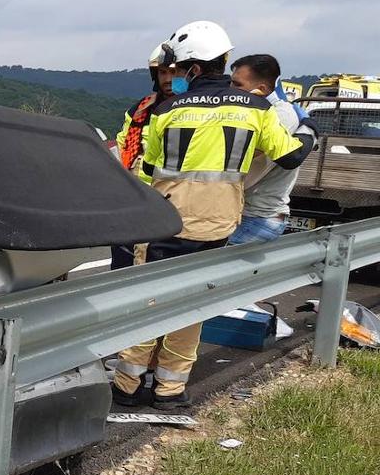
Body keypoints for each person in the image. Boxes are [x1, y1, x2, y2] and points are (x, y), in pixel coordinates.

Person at [111, 21, 316, 409]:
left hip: (164, 223)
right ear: (223, 60)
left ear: (193, 68)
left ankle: (127, 385)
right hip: (218, 226)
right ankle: (170, 391)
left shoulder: (167, 109)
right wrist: (307, 129)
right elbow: (290, 156)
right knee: (193, 306)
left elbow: (149, 168)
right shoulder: (257, 109)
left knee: (148, 304)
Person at [227, 54, 309, 244]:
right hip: (245, 215)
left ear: (261, 89)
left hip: (256, 217)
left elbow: (246, 170)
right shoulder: (254, 111)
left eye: (237, 84)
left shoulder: (279, 116)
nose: (230, 90)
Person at [111, 44, 178, 268]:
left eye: (173, 72)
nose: (168, 79)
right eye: (162, 72)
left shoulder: (191, 110)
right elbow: (122, 146)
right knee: (122, 261)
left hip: (171, 198)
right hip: (133, 198)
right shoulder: (141, 109)